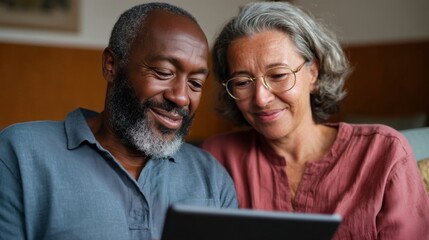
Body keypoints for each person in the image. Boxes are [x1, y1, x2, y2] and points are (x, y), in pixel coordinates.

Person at [0, 3, 237, 240]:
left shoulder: (212, 177)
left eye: (195, 84)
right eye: (164, 72)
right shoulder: (20, 153)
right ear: (111, 65)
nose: (181, 97)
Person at [201, 2, 429, 239]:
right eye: (242, 82)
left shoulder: (384, 152)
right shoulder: (217, 158)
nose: (260, 98)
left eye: (278, 75)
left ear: (313, 73)